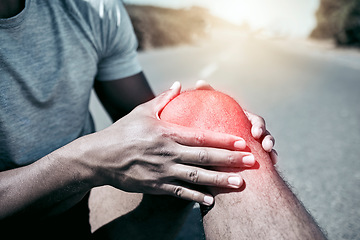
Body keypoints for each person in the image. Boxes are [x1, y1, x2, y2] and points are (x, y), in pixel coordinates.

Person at [0, 0, 278, 239]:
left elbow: (148, 122)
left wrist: (210, 114)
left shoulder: (89, 8)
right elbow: (90, 161)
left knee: (203, 125)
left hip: (75, 200)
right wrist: (86, 160)